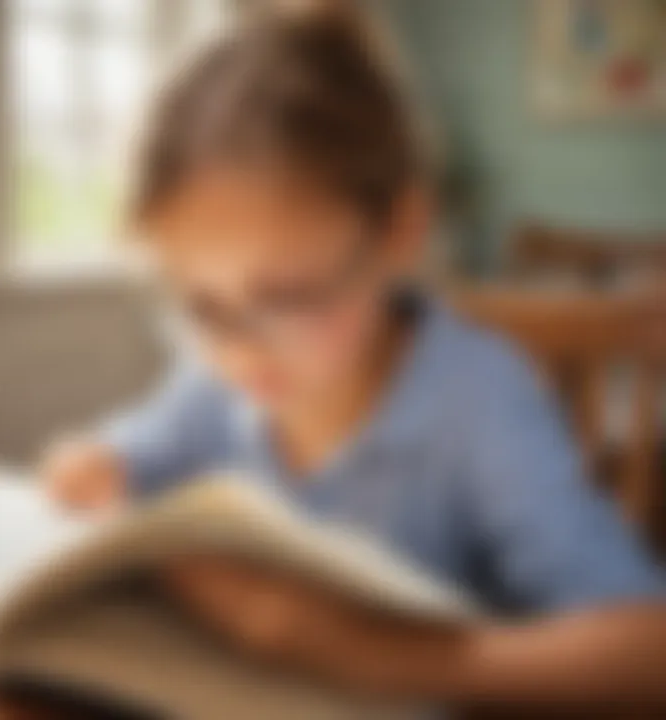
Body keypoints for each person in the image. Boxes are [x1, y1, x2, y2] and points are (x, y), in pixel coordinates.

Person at [43, 2, 665, 711]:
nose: (241, 351)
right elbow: (126, 456)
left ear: (400, 231)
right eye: (202, 307)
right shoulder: (209, 382)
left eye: (292, 296)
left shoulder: (480, 399)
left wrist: (360, 651)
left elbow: (647, 651)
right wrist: (91, 465)